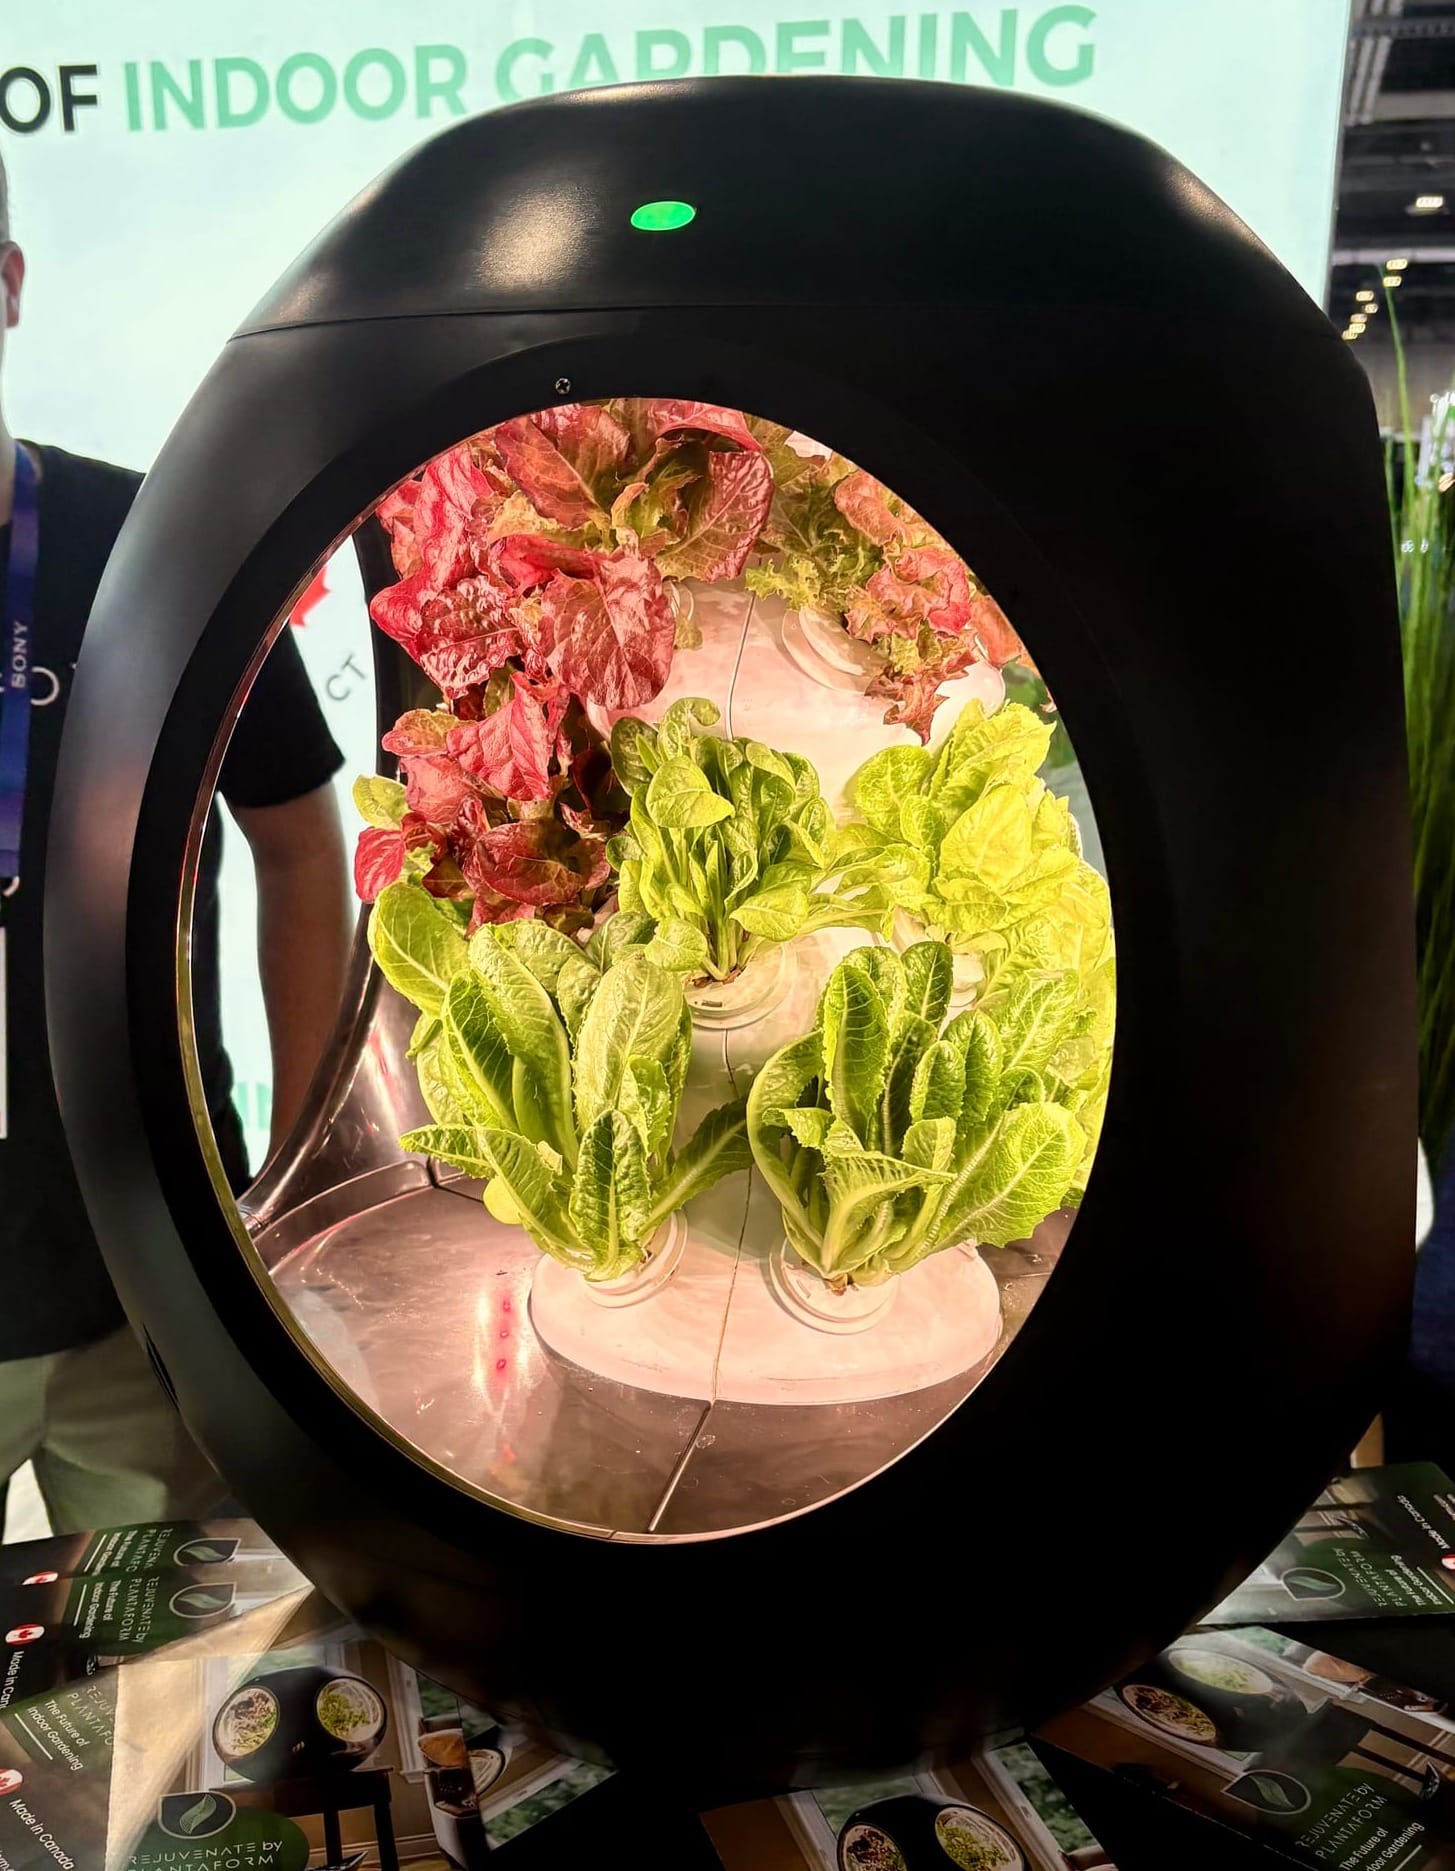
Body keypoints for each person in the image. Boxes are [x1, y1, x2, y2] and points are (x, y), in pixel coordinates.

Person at [0, 154, 354, 1532]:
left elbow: (302, 843)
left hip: (149, 1284)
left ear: (12, 286)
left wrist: (311, 1164)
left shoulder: (154, 545)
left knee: (162, 1714)